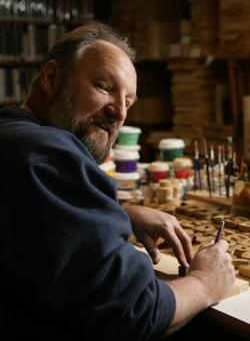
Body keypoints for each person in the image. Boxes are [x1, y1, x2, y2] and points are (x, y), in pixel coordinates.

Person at [0, 21, 235, 340]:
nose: (119, 113)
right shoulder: (48, 151)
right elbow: (132, 312)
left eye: (128, 101)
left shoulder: (11, 133)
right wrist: (205, 283)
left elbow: (29, 218)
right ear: (52, 78)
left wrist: (115, 213)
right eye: (104, 87)